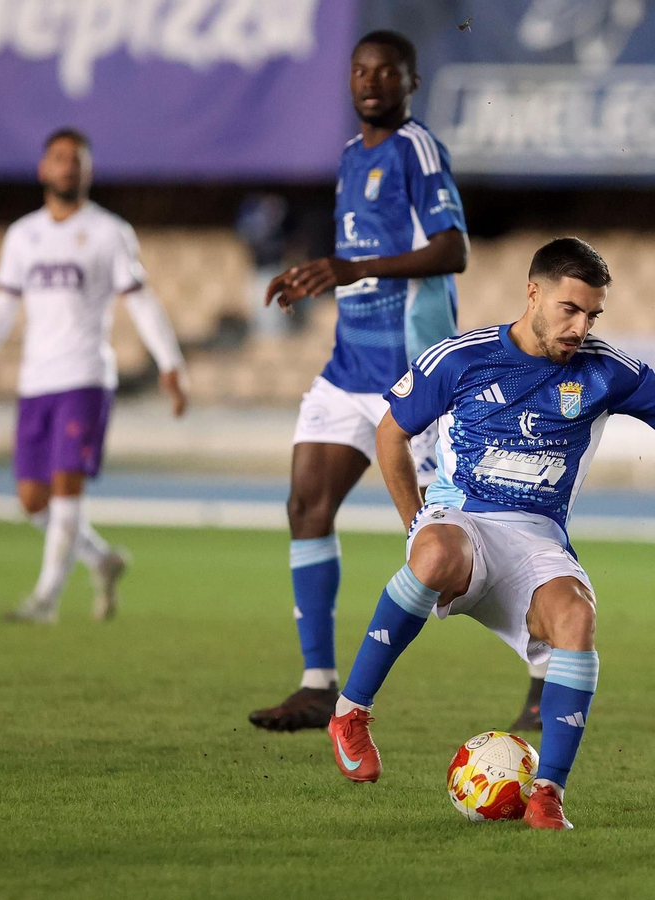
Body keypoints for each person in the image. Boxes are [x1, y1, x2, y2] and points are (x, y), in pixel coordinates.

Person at [326, 238, 655, 831]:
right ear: (533, 293)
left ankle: (547, 793)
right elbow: (391, 433)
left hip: (537, 539)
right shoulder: (461, 358)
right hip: (461, 519)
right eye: (569, 309)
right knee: (436, 553)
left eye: (592, 314)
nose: (580, 326)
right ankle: (350, 713)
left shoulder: (603, 369)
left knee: (577, 618)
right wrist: (415, 523)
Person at [247, 30, 474, 732]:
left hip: (412, 373)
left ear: (411, 82)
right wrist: (319, 272)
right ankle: (318, 684)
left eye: (387, 72)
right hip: (350, 368)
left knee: (454, 536)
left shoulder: (418, 148)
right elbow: (362, 254)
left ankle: (542, 661)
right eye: (360, 71)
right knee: (305, 503)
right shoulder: (351, 157)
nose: (371, 82)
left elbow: (453, 249)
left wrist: (350, 269)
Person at [0, 127, 188, 624]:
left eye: (76, 159)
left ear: (88, 170)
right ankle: (102, 560)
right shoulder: (23, 235)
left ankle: (45, 601)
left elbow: (140, 301)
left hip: (85, 376)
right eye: (59, 158)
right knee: (31, 500)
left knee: (67, 487)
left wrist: (170, 362)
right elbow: (5, 301)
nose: (68, 167)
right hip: (34, 381)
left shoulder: (109, 232)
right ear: (44, 168)